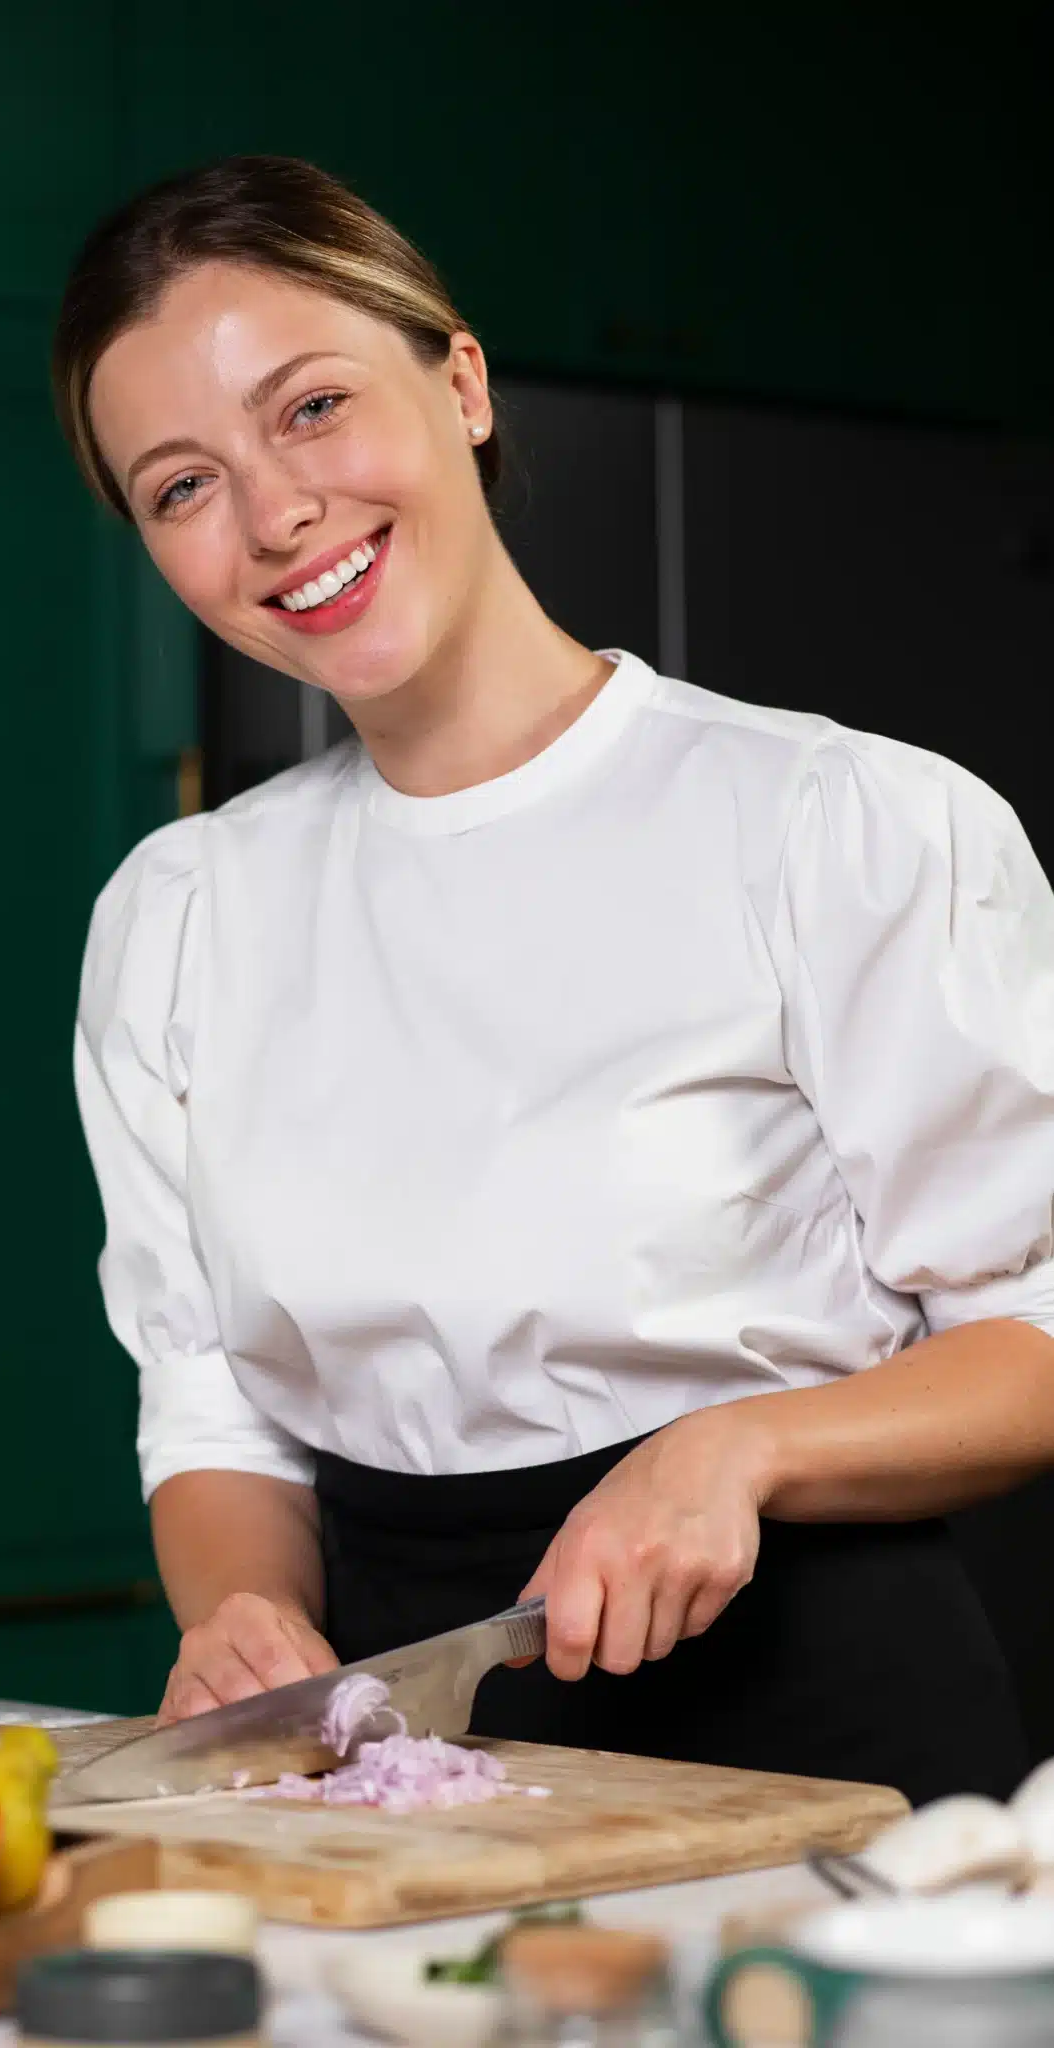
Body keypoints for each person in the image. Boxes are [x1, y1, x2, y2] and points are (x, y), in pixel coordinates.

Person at [52, 154, 1054, 1805]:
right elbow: (215, 1412)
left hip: (813, 1743)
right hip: (393, 1751)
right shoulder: (180, 915)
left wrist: (744, 1445)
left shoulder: (840, 822)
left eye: (312, 408)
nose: (274, 514)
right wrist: (239, 1612)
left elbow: (1029, 1331)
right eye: (181, 488)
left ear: (461, 383)